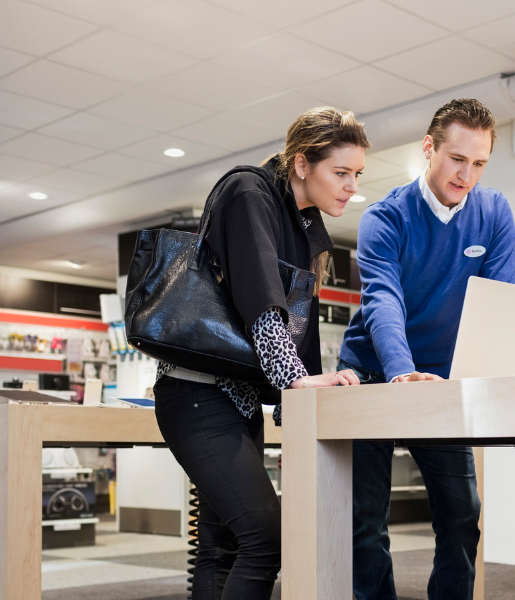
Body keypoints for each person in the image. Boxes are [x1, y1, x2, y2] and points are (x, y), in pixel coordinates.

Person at [153, 107, 366, 599]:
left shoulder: (304, 221)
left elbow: (299, 321)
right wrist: (295, 381)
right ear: (301, 164)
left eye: (357, 174)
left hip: (238, 401)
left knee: (222, 546)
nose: (351, 184)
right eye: (340, 172)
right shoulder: (249, 192)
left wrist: (306, 391)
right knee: (265, 539)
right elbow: (261, 298)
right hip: (196, 395)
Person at [338, 98, 515, 600]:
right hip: (373, 373)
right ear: (428, 148)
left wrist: (497, 371)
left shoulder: (494, 212)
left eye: (479, 163)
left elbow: (502, 302)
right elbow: (382, 302)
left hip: (442, 379)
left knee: (463, 513)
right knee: (365, 519)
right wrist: (400, 372)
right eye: (457, 159)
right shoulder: (385, 217)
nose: (467, 174)